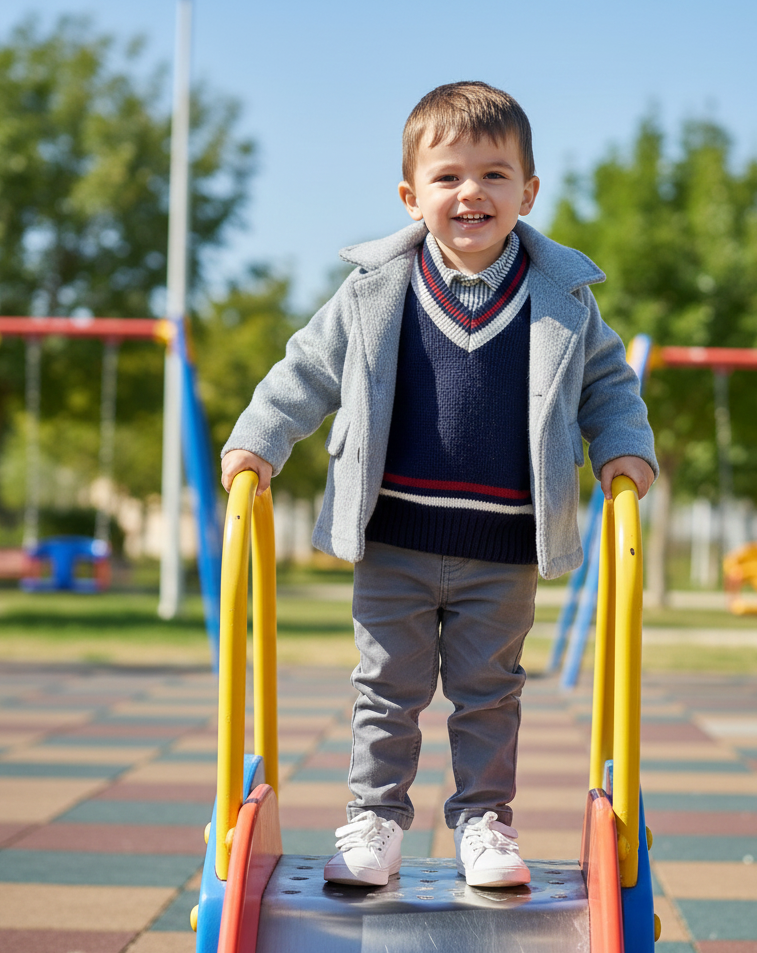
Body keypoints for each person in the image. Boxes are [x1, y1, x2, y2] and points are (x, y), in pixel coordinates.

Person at [220, 81, 656, 890]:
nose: (470, 193)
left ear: (528, 192)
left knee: (489, 693)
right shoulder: (375, 290)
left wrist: (624, 452)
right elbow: (306, 369)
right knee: (386, 688)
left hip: (503, 545)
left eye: (494, 175)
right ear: (411, 197)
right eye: (448, 176)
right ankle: (375, 820)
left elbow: (609, 385)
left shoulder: (561, 300)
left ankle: (484, 821)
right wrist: (259, 440)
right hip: (394, 535)